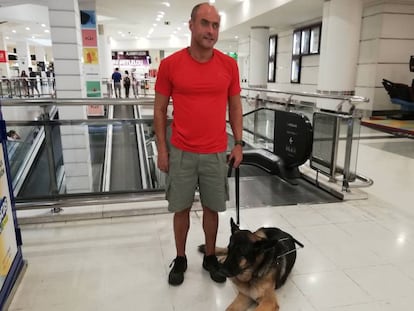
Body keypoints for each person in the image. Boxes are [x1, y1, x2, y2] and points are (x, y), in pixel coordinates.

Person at [153, 2, 243, 286]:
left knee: (211, 209)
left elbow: (236, 106)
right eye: (205, 23)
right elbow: (158, 110)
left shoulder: (229, 65)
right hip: (180, 151)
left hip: (216, 151)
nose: (211, 31)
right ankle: (180, 258)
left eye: (215, 25)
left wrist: (238, 143)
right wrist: (163, 150)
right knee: (180, 208)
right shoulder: (170, 65)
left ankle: (210, 258)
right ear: (191, 25)